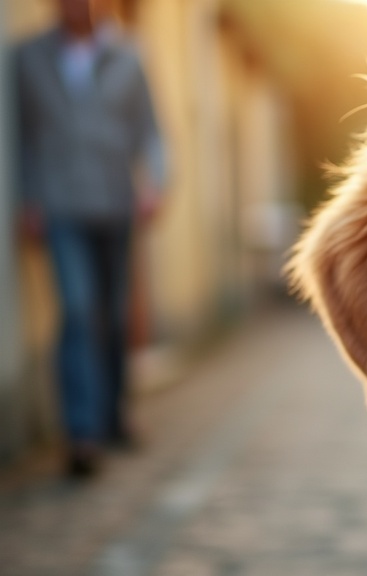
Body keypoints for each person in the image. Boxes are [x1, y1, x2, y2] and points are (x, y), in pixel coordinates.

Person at [14, 0, 165, 477]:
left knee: (114, 315)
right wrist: (27, 199)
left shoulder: (128, 57)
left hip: (116, 203)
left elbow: (151, 133)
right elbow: (21, 139)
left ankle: (113, 415)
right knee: (78, 311)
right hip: (60, 208)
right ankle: (82, 435)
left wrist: (154, 185)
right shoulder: (27, 59)